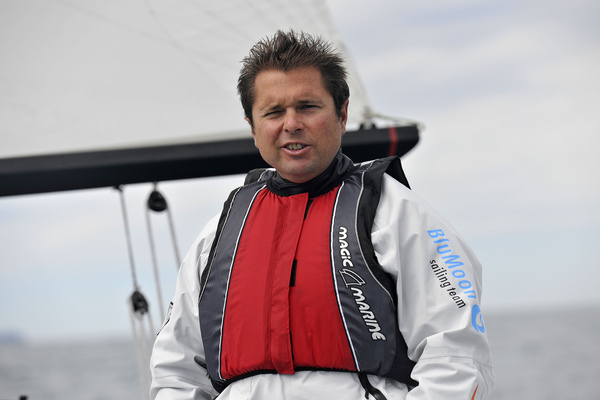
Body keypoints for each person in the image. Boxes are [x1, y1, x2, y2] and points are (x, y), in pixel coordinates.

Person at [150, 30, 495, 400]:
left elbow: (456, 360)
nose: (291, 124)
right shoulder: (218, 236)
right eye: (274, 112)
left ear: (342, 114)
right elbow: (177, 374)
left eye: (307, 107)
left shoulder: (400, 216)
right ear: (252, 127)